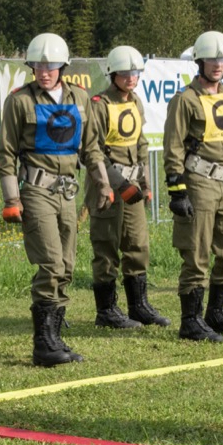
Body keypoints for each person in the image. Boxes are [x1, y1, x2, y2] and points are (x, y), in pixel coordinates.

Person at [0, 32, 107, 366]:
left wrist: (103, 183)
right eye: (38, 66)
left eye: (51, 66)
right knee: (51, 264)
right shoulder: (19, 101)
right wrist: (11, 199)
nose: (44, 72)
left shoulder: (80, 98)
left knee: (67, 267)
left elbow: (91, 148)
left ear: (63, 67)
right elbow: (7, 155)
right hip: (36, 191)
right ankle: (43, 345)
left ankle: (55, 337)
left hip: (67, 193)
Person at [163, 31, 223, 342]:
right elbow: (173, 146)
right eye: (212, 59)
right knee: (196, 253)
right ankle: (191, 321)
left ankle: (217, 313)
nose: (218, 64)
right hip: (198, 182)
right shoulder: (185, 99)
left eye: (222, 59)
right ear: (199, 61)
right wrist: (177, 189)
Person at [86, 45, 169, 328]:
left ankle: (139, 307)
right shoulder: (99, 104)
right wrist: (116, 184)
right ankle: (106, 311)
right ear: (112, 73)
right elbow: (92, 151)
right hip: (107, 186)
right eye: (125, 73)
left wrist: (146, 183)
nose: (131, 78)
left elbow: (141, 143)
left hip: (133, 185)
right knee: (106, 246)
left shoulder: (135, 101)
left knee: (137, 244)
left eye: (135, 73)